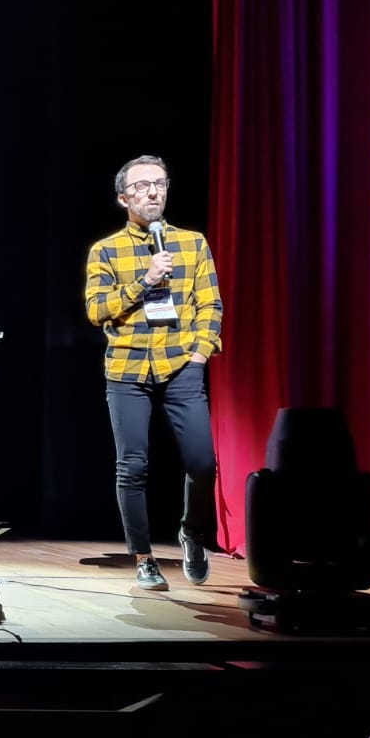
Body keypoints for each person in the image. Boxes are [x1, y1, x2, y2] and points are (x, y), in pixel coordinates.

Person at [84, 155, 222, 591]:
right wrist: (144, 280)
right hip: (127, 368)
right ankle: (143, 557)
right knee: (132, 467)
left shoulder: (192, 243)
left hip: (181, 364)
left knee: (203, 463)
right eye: (141, 186)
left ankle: (192, 532)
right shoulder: (106, 250)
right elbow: (96, 310)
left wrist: (200, 353)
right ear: (123, 198)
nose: (152, 192)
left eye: (159, 184)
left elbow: (210, 304)